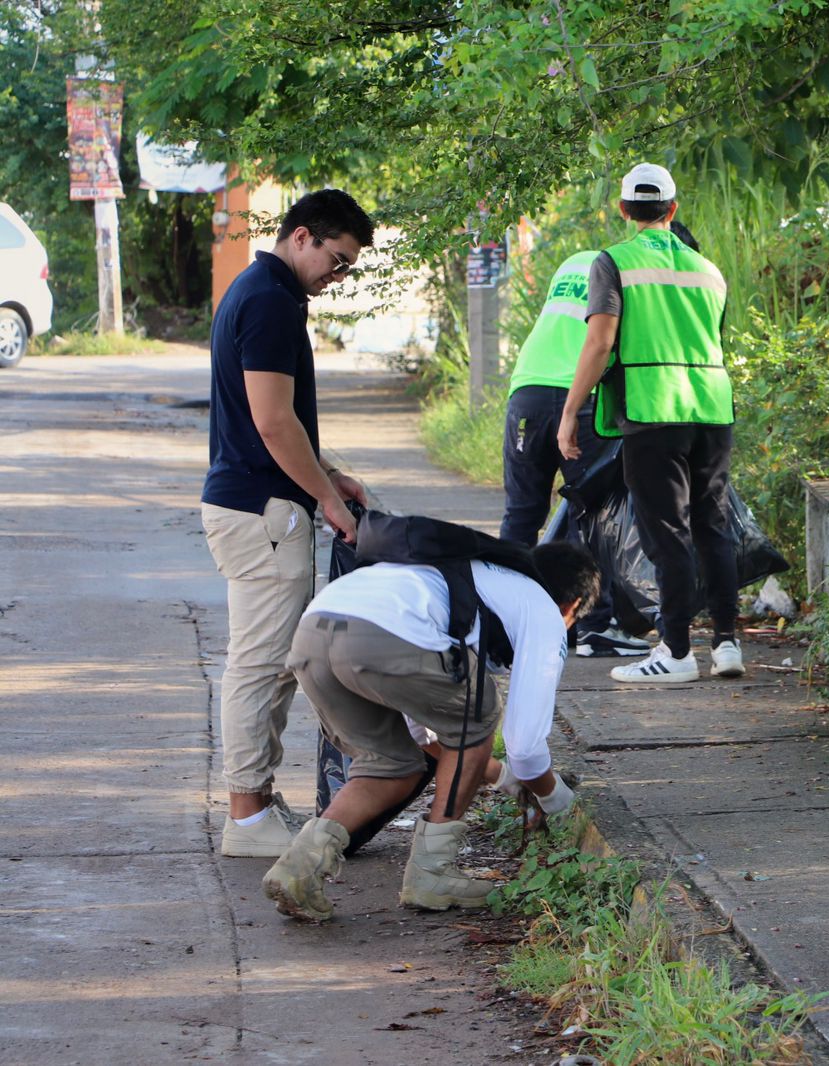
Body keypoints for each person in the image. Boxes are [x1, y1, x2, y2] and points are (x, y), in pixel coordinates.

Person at [262, 541, 602, 921]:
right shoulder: (543, 610)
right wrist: (558, 801)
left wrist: (504, 778)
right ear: (571, 607)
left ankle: (298, 868)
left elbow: (424, 737)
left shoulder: (461, 573)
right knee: (479, 711)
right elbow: (525, 749)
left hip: (315, 631)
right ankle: (431, 873)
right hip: (379, 637)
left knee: (392, 765)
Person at [201, 189, 376, 858]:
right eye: (336, 260)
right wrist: (328, 502)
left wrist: (329, 475)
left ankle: (254, 804)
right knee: (264, 662)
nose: (338, 277)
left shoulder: (260, 290)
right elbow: (273, 423)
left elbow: (275, 419)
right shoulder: (270, 301)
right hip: (262, 510)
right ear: (301, 235)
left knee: (273, 663)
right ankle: (246, 817)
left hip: (258, 503)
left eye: (349, 268)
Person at [558, 163, 743, 685]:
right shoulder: (709, 270)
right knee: (712, 525)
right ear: (673, 209)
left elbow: (600, 342)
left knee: (668, 533)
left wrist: (571, 412)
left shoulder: (613, 262)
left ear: (623, 210)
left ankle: (678, 653)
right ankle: (727, 644)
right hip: (711, 407)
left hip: (651, 409)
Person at [501, 249, 648, 659]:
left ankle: (507, 621)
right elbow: (606, 342)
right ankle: (594, 627)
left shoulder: (573, 262)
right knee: (594, 514)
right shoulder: (624, 270)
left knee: (521, 515)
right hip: (579, 398)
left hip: (526, 392)